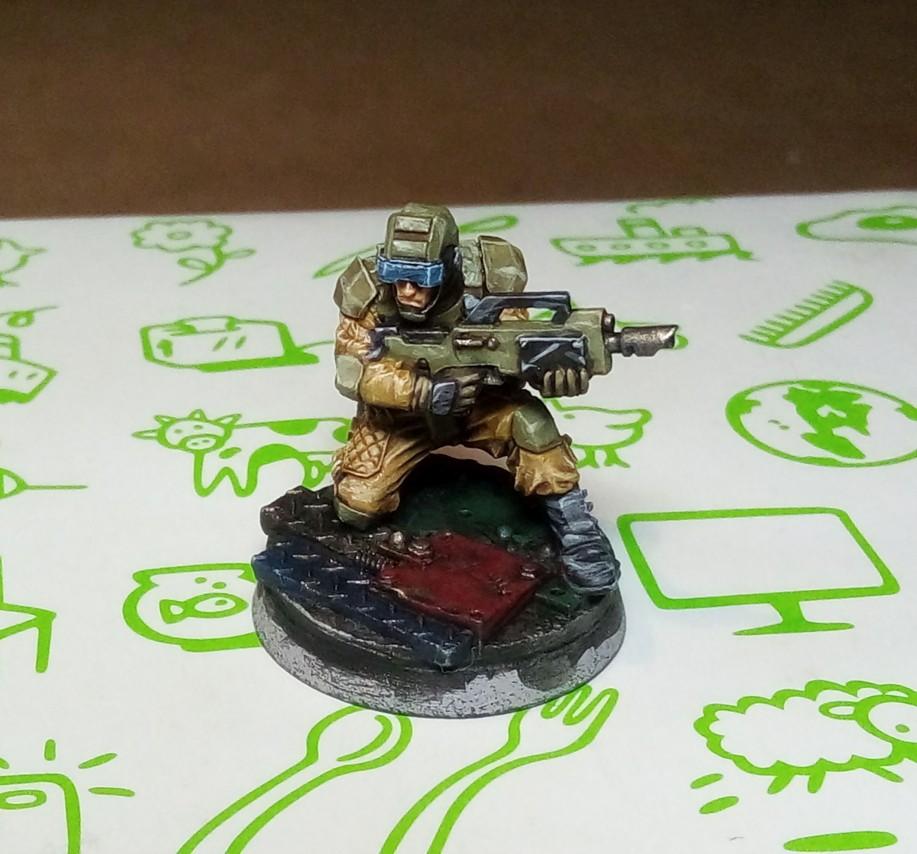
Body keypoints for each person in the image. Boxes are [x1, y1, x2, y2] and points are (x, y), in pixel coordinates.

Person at [331, 203, 619, 592]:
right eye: (396, 275)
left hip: (484, 405)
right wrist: (421, 391)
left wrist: (553, 376)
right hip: (402, 417)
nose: (406, 291)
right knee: (357, 506)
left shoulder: (491, 275)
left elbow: (517, 348)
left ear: (450, 264)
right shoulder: (367, 289)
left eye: (422, 278)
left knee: (532, 425)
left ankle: (577, 530)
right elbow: (353, 370)